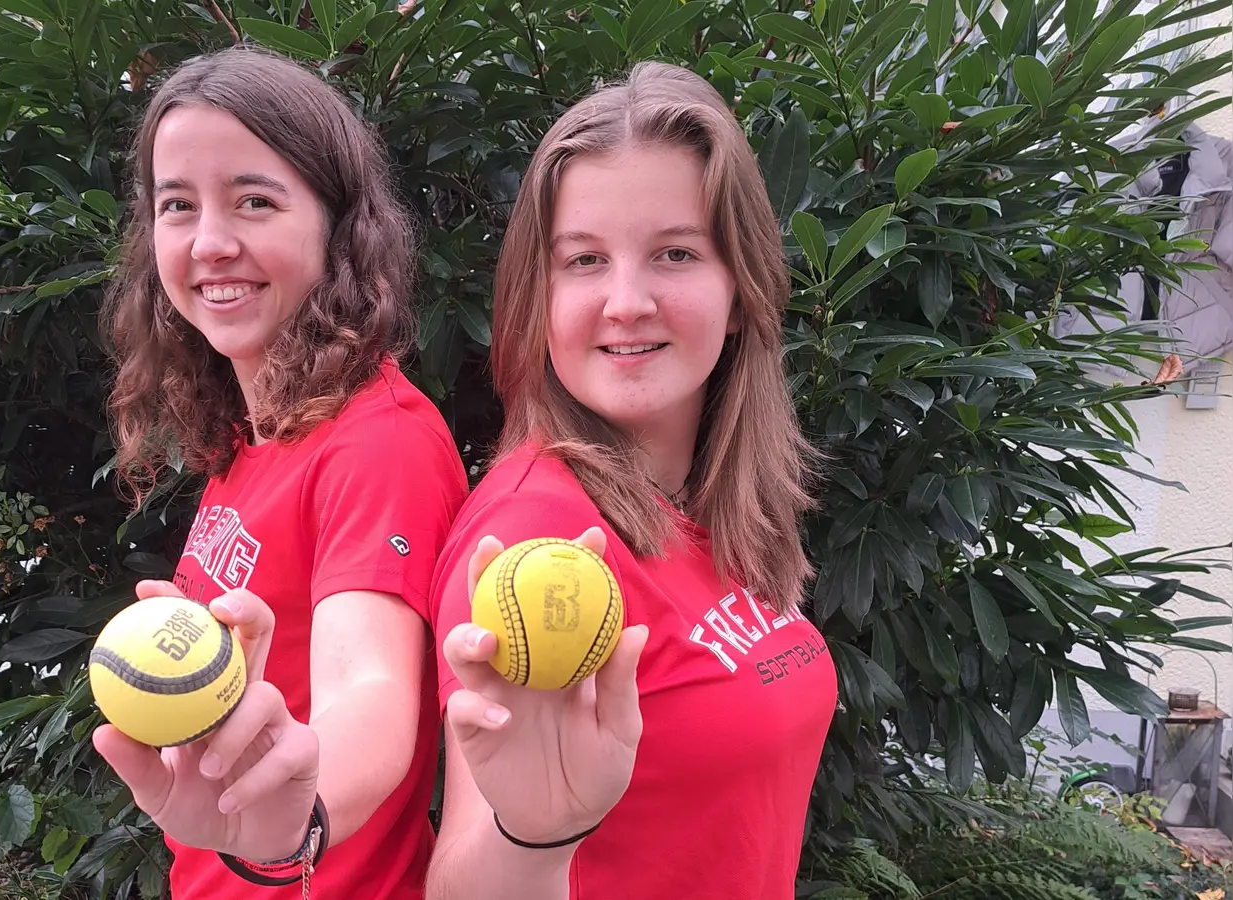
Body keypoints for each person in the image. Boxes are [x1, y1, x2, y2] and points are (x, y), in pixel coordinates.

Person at [427, 62, 839, 899]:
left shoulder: (720, 507)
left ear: (739, 289)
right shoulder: (537, 538)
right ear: (537, 296)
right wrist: (535, 835)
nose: (626, 301)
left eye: (675, 253)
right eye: (583, 260)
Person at [93, 45, 468, 899]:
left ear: (337, 227)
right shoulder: (256, 435)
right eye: (177, 205)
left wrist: (295, 820)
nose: (211, 242)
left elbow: (370, 687)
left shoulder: (380, 441)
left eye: (254, 201)